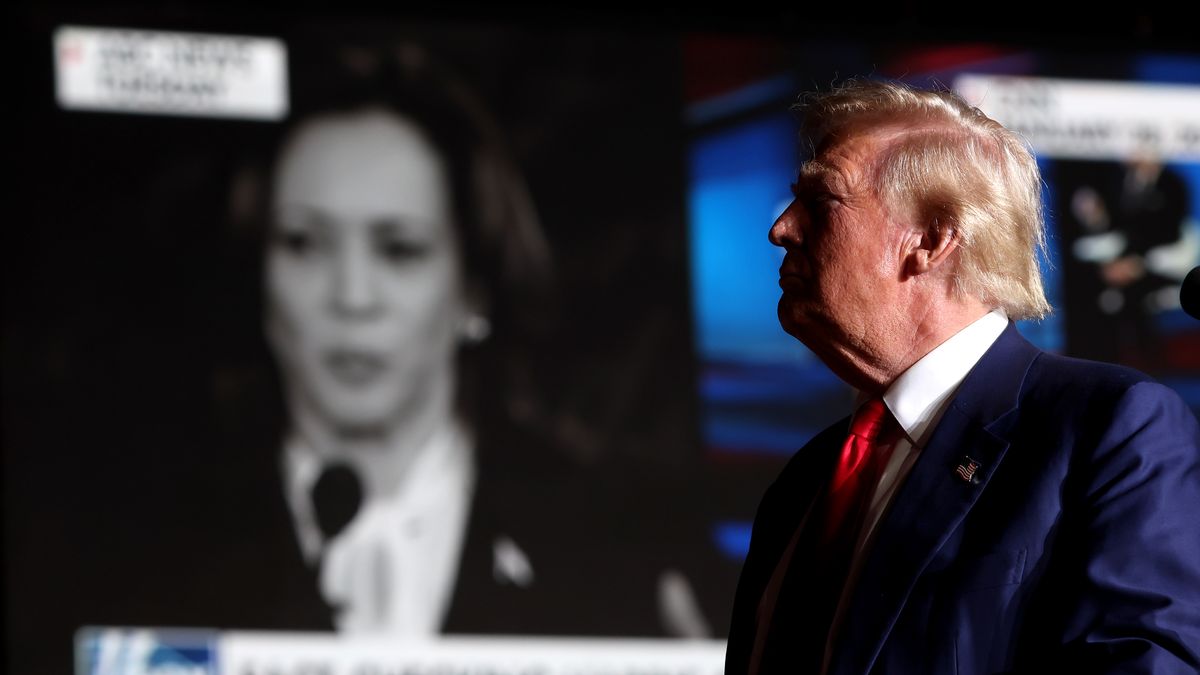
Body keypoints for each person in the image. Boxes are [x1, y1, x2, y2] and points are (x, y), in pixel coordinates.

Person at [724, 79, 1200, 675]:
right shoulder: (805, 481)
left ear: (930, 240)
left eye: (821, 201)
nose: (782, 228)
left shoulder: (1108, 428)